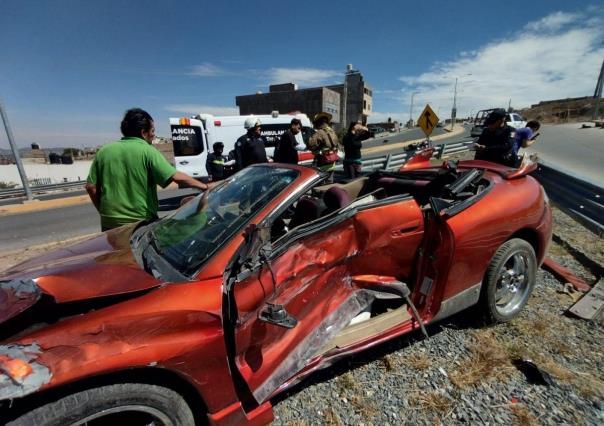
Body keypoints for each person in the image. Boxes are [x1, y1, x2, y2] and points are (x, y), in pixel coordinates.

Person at [86, 108, 210, 231]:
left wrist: (103, 212)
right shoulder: (148, 151)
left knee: (116, 251)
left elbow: (91, 187)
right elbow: (175, 176)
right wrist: (204, 187)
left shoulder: (104, 151)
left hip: (109, 223)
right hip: (139, 223)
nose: (154, 135)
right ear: (143, 132)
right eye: (152, 130)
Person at [306, 112, 340, 183]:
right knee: (329, 182)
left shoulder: (320, 132)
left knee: (319, 185)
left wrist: (308, 136)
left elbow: (310, 145)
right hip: (332, 162)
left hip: (322, 163)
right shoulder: (332, 131)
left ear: (319, 123)